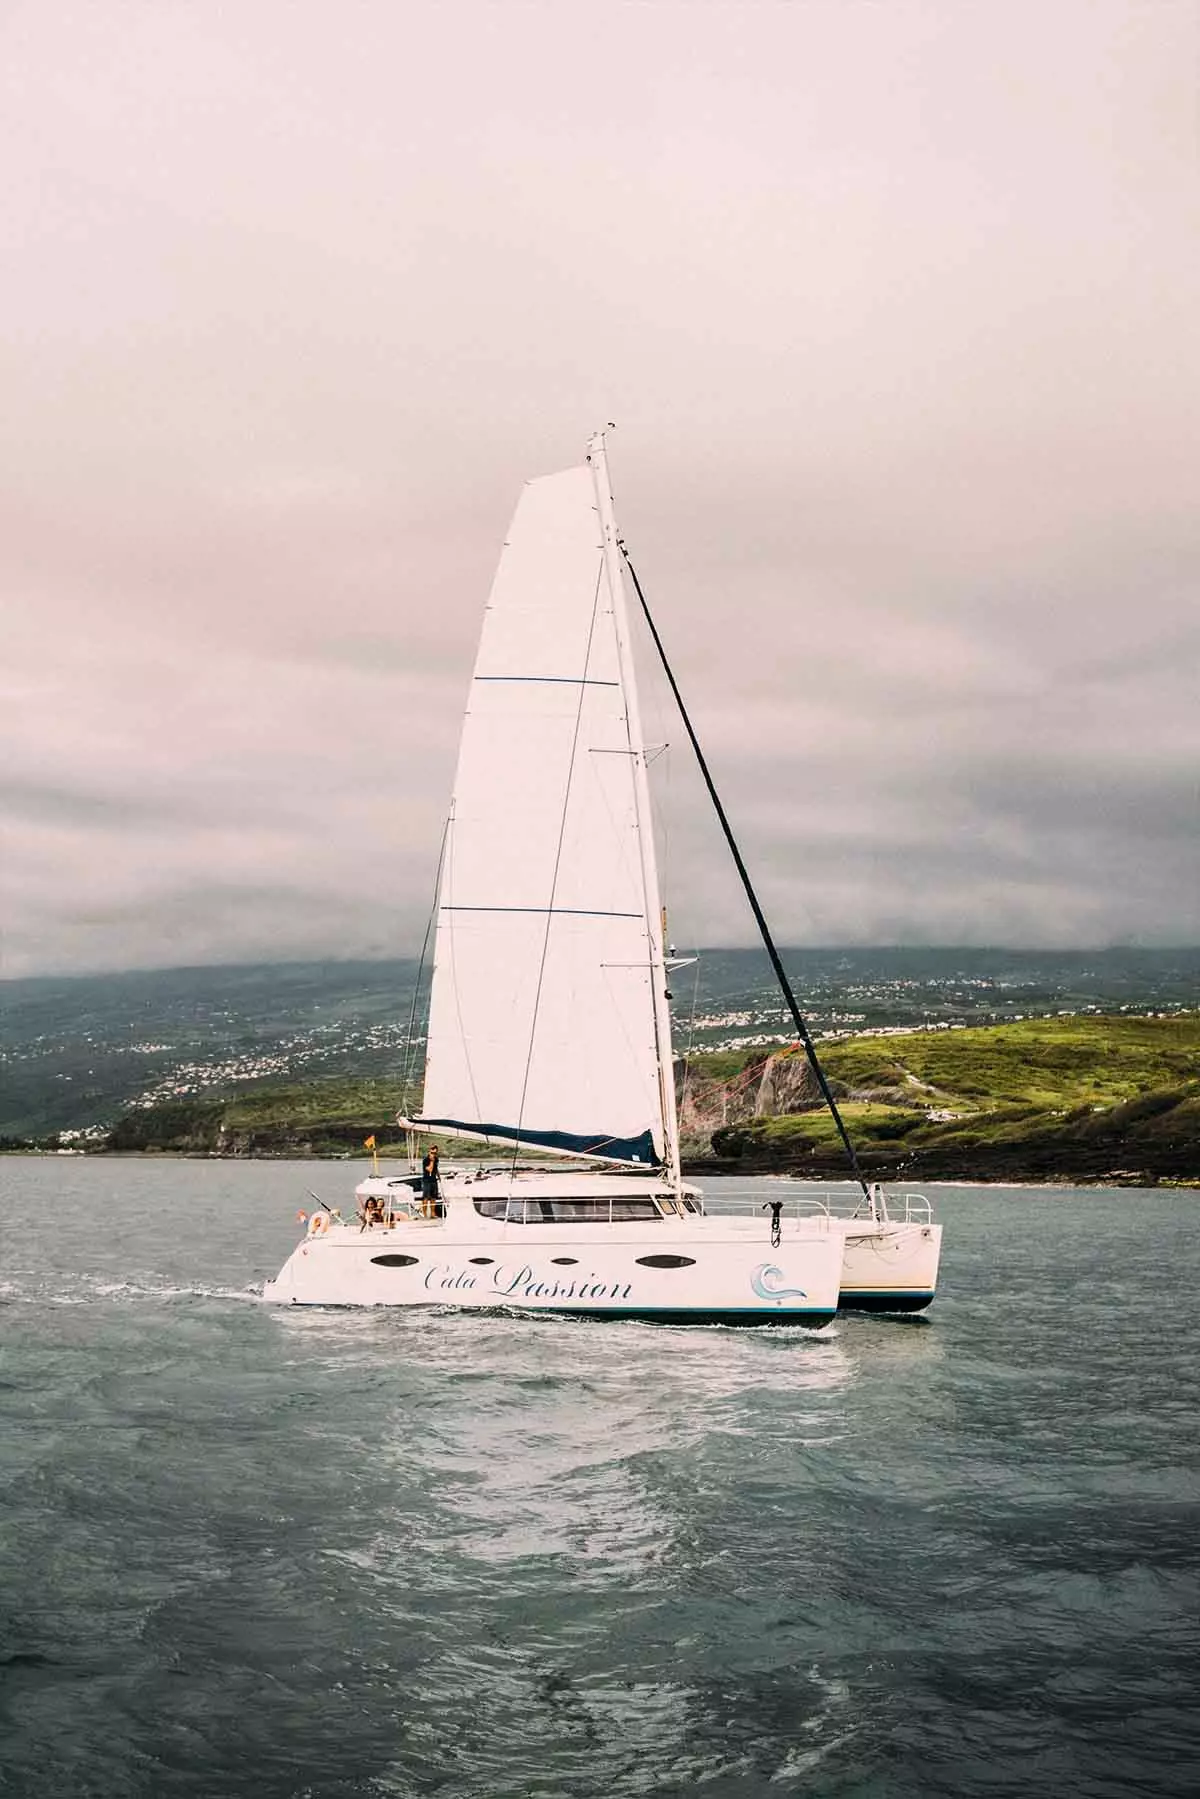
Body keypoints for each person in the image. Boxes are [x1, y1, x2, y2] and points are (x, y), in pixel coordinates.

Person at [421, 1144, 441, 1217]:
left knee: (433, 1197)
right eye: (432, 1153)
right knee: (425, 1197)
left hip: (433, 1180)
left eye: (435, 1153)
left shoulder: (436, 1159)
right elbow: (429, 1169)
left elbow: (435, 1168)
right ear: (429, 1151)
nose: (434, 1155)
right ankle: (424, 1213)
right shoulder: (426, 1160)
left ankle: (432, 1213)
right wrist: (432, 1161)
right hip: (426, 1180)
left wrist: (438, 1176)